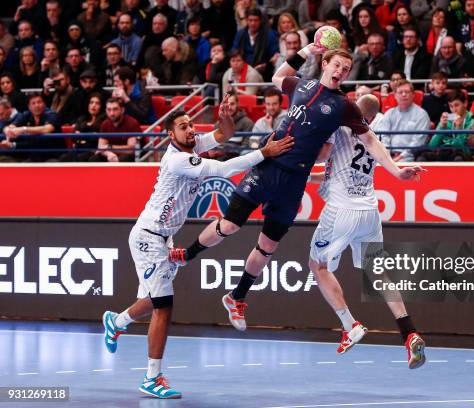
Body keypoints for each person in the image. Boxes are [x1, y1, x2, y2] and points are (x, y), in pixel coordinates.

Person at [169, 45, 421, 330]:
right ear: (325, 64)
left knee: (267, 247)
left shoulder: (344, 107)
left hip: (293, 182)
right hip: (268, 165)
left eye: (346, 69)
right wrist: (306, 50)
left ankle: (237, 297)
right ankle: (186, 254)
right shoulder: (302, 84)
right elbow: (278, 76)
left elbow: (372, 141)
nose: (340, 72)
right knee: (228, 226)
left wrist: (397, 172)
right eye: (336, 65)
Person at [101, 99, 293, 399]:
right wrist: (264, 153)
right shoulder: (177, 159)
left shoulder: (191, 145)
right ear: (170, 135)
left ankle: (116, 321)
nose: (190, 130)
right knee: (164, 305)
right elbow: (225, 169)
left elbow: (223, 134)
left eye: (191, 125)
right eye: (182, 127)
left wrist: (226, 118)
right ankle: (152, 378)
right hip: (148, 237)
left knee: (152, 300)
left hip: (164, 238)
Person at [308, 93, 426, 367]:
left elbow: (322, 155)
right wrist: (398, 172)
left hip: (340, 210)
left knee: (318, 265)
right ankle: (409, 333)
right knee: (378, 272)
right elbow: (330, 173)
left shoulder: (337, 128)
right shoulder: (373, 139)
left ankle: (350, 325)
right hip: (369, 212)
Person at [377, 79, 431, 161]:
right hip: (388, 156)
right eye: (400, 92)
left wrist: (399, 157)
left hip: (410, 157)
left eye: (407, 92)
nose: (404, 94)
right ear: (395, 95)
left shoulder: (422, 114)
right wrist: (387, 157)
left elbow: (418, 142)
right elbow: (385, 138)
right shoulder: (389, 113)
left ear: (413, 95)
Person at [89, 97, 141, 162]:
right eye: (109, 109)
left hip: (127, 155)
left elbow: (131, 150)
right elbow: (101, 147)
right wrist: (108, 154)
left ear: (122, 110)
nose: (112, 113)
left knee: (125, 158)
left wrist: (110, 148)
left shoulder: (132, 123)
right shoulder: (105, 124)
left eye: (115, 109)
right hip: (112, 154)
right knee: (94, 159)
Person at [427, 89, 474, 161]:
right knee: (423, 157)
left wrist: (459, 129)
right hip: (443, 153)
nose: (454, 110)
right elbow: (432, 146)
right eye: (451, 106)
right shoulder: (446, 120)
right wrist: (442, 127)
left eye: (457, 105)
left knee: (458, 157)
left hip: (462, 156)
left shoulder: (472, 122)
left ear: (465, 103)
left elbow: (466, 150)